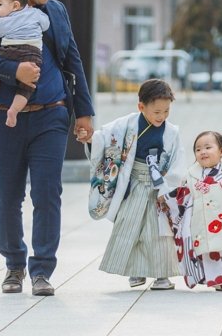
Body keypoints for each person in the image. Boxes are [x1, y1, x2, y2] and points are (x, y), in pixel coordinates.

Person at [0, 0, 96, 297]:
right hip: (1, 118)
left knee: (48, 193)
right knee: (7, 195)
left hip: (51, 115)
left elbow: (73, 61)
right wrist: (13, 70)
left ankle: (42, 271)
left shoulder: (57, 12)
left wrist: (84, 112)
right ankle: (13, 266)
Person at [85, 78, 182, 291]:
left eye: (166, 111)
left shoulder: (172, 132)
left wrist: (167, 188)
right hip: (133, 182)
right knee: (129, 227)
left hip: (159, 185)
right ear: (141, 106)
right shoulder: (127, 124)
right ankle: (134, 271)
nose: (162, 116)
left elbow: (176, 162)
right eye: (157, 112)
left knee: (158, 231)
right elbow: (103, 137)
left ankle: (162, 275)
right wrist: (92, 139)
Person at [162, 131, 222, 291]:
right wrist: (167, 198)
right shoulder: (190, 175)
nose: (203, 152)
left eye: (208, 147)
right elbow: (181, 196)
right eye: (198, 149)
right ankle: (213, 278)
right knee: (207, 252)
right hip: (201, 224)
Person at [0, 0, 51, 127]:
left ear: (14, 6)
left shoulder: (4, 19)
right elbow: (46, 25)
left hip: (10, 50)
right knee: (28, 86)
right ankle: (14, 110)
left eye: (0, 4)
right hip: (34, 54)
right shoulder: (35, 13)